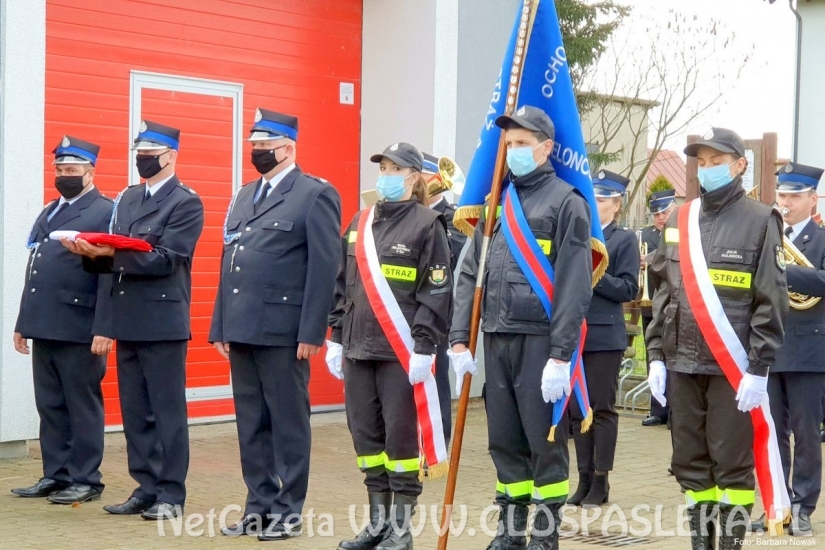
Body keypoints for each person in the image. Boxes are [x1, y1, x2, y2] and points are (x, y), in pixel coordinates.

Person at [450, 105, 593, 550]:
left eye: (522, 143)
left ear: (546, 148)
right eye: (509, 144)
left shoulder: (567, 202)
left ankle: (544, 535)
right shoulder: (496, 202)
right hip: (496, 335)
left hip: (540, 342)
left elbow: (573, 285)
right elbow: (469, 274)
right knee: (504, 441)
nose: (513, 151)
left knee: (544, 443)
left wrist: (561, 355)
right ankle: (511, 532)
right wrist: (459, 338)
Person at [646, 128, 788, 550]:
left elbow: (771, 300)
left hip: (733, 369)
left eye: (717, 162)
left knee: (732, 467)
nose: (707, 169)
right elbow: (663, 290)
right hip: (682, 364)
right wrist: (656, 354)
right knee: (690, 465)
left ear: (740, 165)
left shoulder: (761, 220)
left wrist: (759, 367)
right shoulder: (679, 219)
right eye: (702, 162)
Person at [61, 120, 204, 520]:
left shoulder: (185, 202)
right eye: (139, 153)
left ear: (170, 156)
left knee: (166, 412)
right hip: (128, 319)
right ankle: (145, 486)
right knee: (136, 411)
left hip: (162, 322)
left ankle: (171, 493)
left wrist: (109, 255)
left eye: (150, 153)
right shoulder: (128, 197)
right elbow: (114, 259)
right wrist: (92, 254)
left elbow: (166, 259)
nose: (142, 159)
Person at [209, 108, 342, 540]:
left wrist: (313, 331)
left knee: (287, 423)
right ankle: (259, 505)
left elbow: (325, 268)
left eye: (266, 145)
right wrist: (220, 325)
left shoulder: (314, 194)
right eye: (255, 145)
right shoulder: (245, 194)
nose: (258, 152)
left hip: (284, 332)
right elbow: (230, 261)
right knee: (251, 424)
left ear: (288, 148)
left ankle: (288, 510)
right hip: (243, 328)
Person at [327, 142, 452, 550]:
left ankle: (401, 530)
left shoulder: (427, 224)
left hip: (400, 354)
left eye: (394, 169)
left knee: (401, 444)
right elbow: (342, 284)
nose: (386, 176)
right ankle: (377, 525)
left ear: (414, 178)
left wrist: (424, 346)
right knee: (367, 441)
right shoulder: (359, 222)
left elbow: (436, 292)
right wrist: (335, 338)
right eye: (382, 168)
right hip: (358, 351)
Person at [11, 136, 113, 504]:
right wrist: (23, 322)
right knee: (50, 404)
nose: (64, 175)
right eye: (59, 169)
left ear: (90, 173)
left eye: (72, 169)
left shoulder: (105, 211)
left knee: (81, 405)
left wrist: (105, 326)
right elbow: (36, 270)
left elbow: (108, 274)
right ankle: (56, 474)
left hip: (78, 324)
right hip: (45, 323)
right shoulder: (50, 211)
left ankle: (86, 479)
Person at [749, 162, 825, 536]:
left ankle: (803, 505)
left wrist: (782, 269)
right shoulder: (767, 237)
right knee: (771, 433)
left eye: (794, 195)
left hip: (808, 350)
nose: (786, 202)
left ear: (813, 200)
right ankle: (775, 505)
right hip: (769, 346)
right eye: (781, 194)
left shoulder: (822, 239)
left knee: (806, 433)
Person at [567, 170, 639, 508]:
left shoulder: (623, 240)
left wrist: (594, 272)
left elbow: (628, 288)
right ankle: (583, 478)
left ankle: (601, 479)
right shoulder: (579, 234)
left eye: (601, 199)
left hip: (604, 336)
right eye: (591, 198)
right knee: (578, 409)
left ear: (616, 204)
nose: (594, 204)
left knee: (601, 408)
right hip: (574, 332)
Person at [422, 152, 467, 446]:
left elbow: (447, 258)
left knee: (436, 378)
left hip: (436, 311)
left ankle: (438, 443)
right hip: (405, 308)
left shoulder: (452, 217)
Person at [640, 189, 676, 427]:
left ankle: (675, 410)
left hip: (674, 303)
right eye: (656, 214)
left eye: (665, 212)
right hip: (650, 302)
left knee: (673, 356)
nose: (661, 218)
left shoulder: (681, 232)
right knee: (653, 357)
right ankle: (658, 409)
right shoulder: (644, 235)